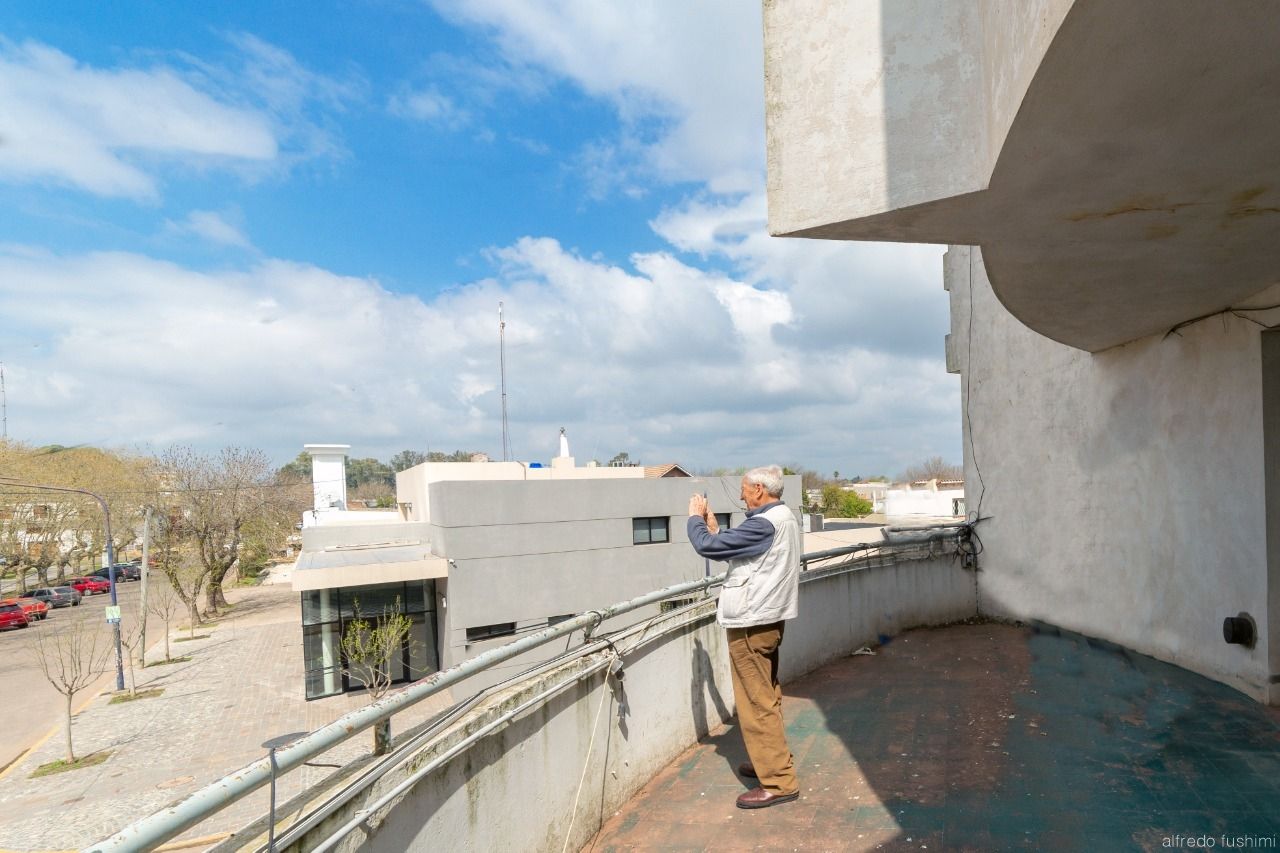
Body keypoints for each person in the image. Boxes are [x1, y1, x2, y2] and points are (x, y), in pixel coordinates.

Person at [687, 465, 801, 809]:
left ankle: (778, 782)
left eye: (744, 490)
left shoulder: (765, 523)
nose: (741, 496)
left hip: (752, 624)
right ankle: (769, 760)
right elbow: (740, 553)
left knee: (755, 702)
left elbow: (707, 546)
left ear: (759, 490)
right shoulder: (781, 518)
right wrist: (713, 526)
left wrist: (694, 518)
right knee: (767, 695)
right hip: (767, 619)